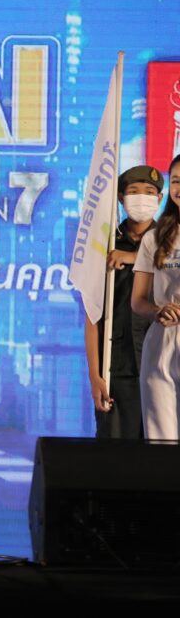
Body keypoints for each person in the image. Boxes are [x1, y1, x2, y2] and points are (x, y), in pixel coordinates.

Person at [84, 165, 162, 439]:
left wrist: (132, 258)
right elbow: (92, 316)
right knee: (116, 454)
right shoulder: (103, 245)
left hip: (163, 363)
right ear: (121, 197)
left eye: (149, 192)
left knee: (162, 453)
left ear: (160, 198)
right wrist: (95, 376)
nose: (142, 198)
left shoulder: (171, 241)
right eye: (134, 191)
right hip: (117, 366)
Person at [132, 155, 180, 440]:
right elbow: (138, 300)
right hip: (162, 343)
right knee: (162, 442)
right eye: (176, 181)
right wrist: (157, 311)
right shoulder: (154, 237)